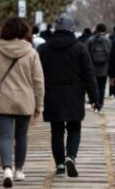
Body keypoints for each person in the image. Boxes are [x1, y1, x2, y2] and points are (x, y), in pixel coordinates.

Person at [0, 17, 45, 188]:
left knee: (5, 136)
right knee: (21, 136)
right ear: (25, 32)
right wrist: (39, 105)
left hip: (2, 99)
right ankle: (19, 170)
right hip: (25, 100)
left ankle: (7, 169)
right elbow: (38, 81)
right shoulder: (31, 52)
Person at [39, 13, 99, 177]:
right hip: (74, 94)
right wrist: (94, 98)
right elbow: (89, 74)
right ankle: (71, 156)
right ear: (72, 28)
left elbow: (38, 74)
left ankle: (59, 164)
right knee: (74, 128)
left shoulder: (44, 49)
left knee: (56, 130)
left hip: (52, 94)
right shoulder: (80, 48)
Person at [85, 23, 112, 109]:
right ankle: (100, 103)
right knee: (102, 86)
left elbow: (86, 54)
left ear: (96, 29)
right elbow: (110, 54)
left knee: (94, 85)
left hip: (92, 68)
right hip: (104, 68)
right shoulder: (108, 41)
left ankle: (95, 102)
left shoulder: (90, 40)